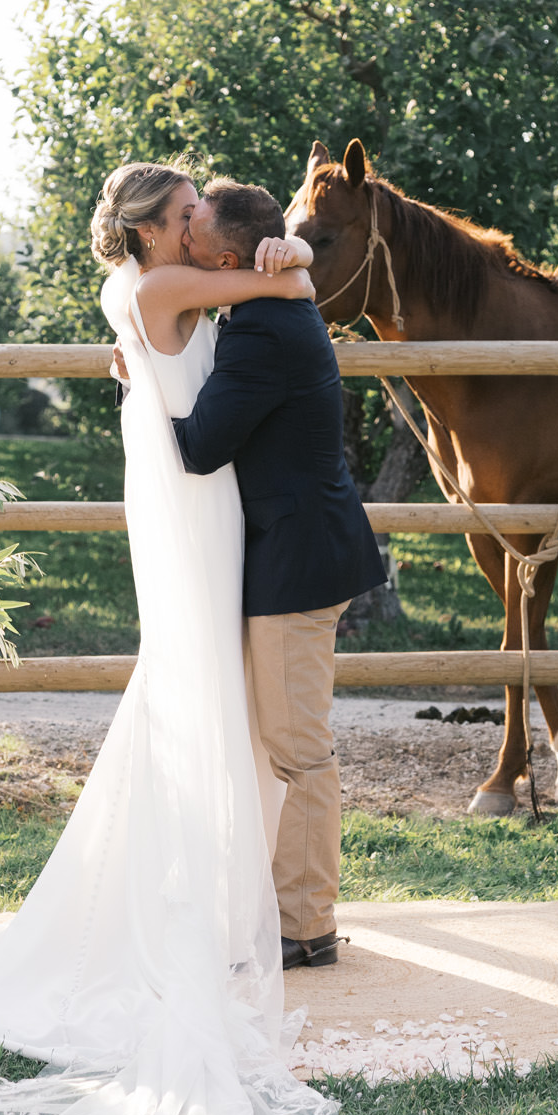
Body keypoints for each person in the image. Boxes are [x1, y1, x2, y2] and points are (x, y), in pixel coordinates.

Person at [0, 159, 343, 1115]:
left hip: (197, 504)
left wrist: (284, 249)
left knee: (201, 698)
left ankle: (222, 892)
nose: (200, 222)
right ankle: (208, 900)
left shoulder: (140, 290)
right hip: (199, 509)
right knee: (195, 693)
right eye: (187, 212)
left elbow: (241, 296)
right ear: (149, 228)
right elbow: (274, 282)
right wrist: (290, 253)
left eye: (201, 214)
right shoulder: (160, 284)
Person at [171, 176, 390, 967]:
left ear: (226, 255)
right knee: (286, 740)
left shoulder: (264, 330)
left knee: (299, 747)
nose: (184, 227)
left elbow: (200, 444)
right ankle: (289, 906)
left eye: (193, 223)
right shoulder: (270, 301)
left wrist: (143, 399)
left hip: (299, 560)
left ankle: (306, 924)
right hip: (295, 549)